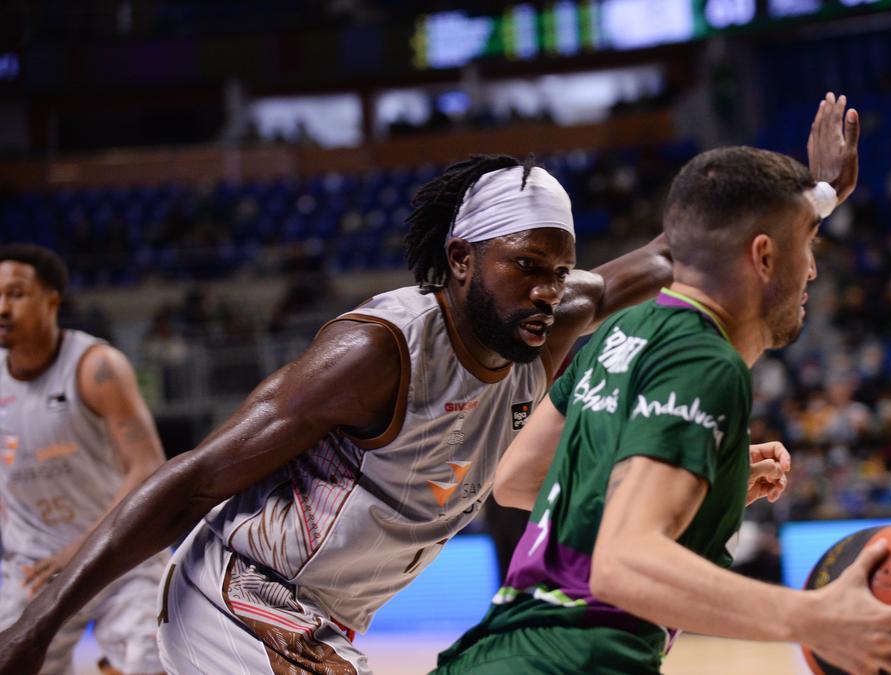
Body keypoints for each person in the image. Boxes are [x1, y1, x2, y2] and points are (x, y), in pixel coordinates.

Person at [0, 154, 676, 673]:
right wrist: (39, 623)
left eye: (560, 271)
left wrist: (783, 201)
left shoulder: (554, 315)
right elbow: (196, 478)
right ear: (462, 258)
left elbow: (679, 252)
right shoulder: (377, 350)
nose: (545, 289)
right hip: (237, 594)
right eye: (526, 265)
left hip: (325, 616)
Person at [435, 94, 891, 675]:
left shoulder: (621, 336)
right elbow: (622, 564)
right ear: (764, 257)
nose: (812, 269)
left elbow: (517, 480)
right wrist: (815, 617)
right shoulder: (706, 361)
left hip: (498, 654)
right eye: (808, 247)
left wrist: (706, 488)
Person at [0, 244, 168, 674]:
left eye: (16, 294)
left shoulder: (97, 367)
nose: (2, 308)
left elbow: (147, 466)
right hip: (35, 566)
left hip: (118, 553)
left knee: (148, 662)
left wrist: (79, 549)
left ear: (51, 301)